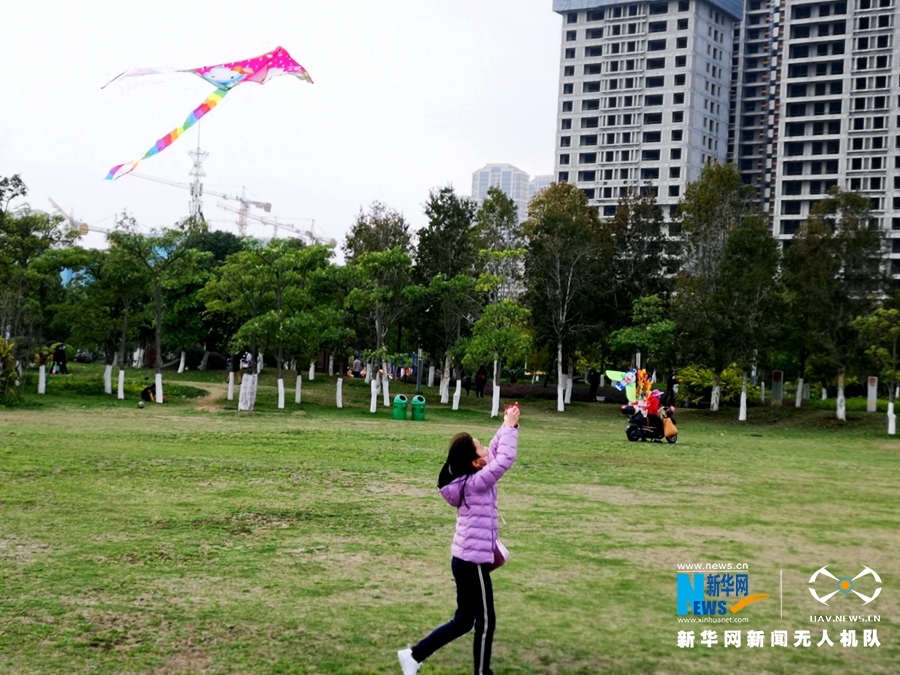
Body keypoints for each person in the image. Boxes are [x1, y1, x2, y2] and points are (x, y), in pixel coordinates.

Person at [398, 404, 520, 675]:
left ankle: (414, 656)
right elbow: (505, 460)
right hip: (472, 562)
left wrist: (507, 423)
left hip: (465, 559)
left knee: (465, 620)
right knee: (485, 621)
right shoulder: (477, 483)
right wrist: (511, 427)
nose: (486, 447)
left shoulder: (473, 476)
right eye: (480, 447)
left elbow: (497, 450)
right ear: (476, 463)